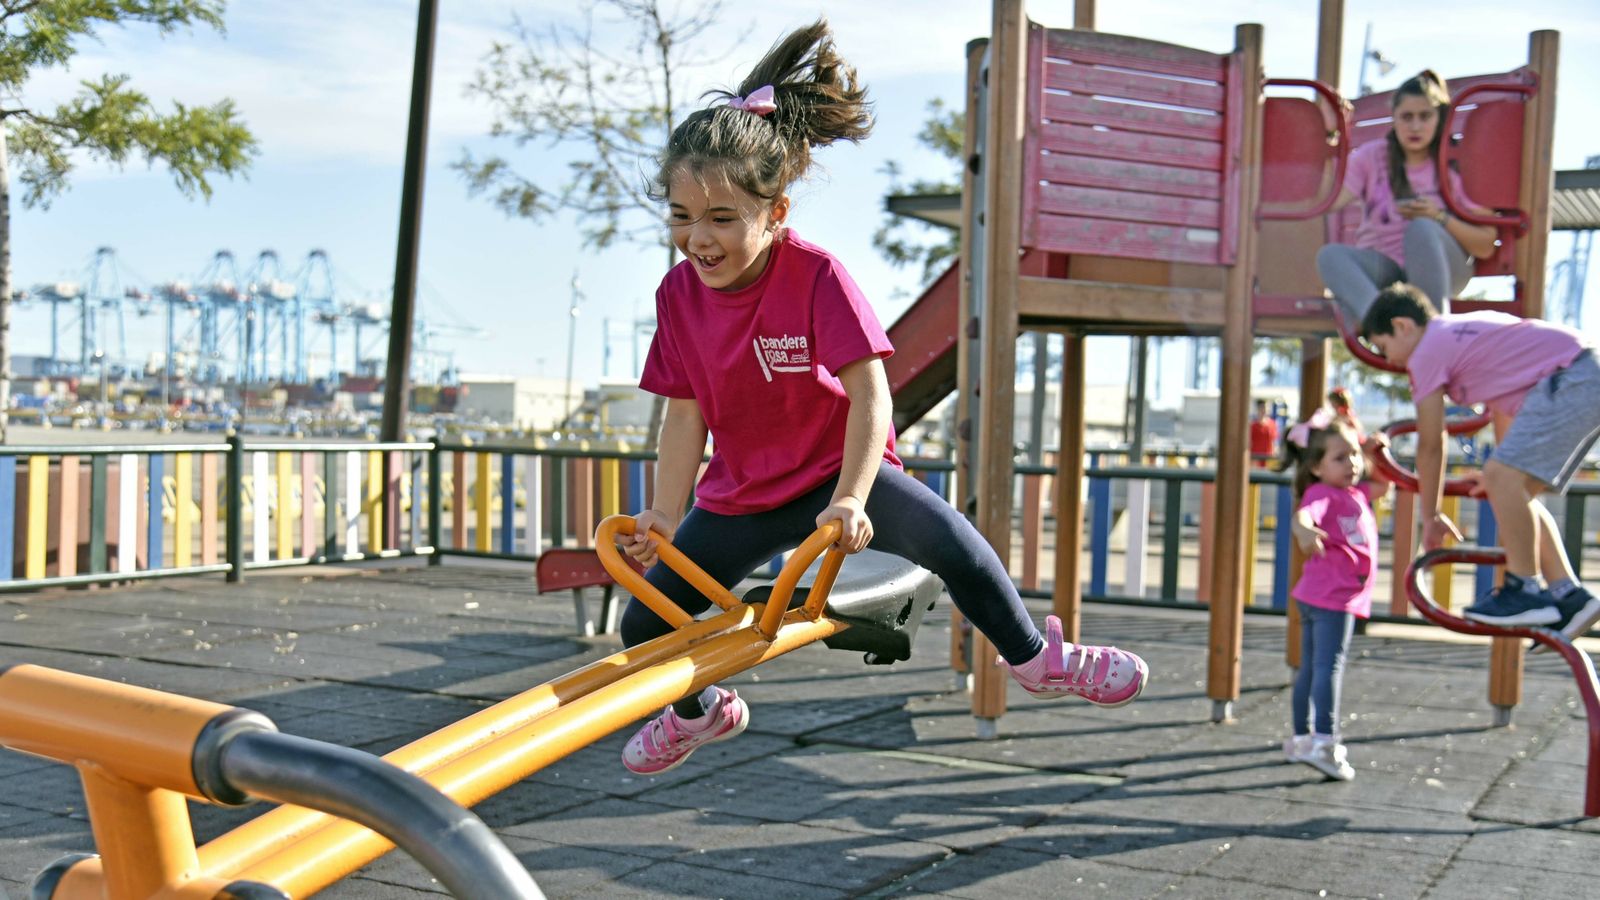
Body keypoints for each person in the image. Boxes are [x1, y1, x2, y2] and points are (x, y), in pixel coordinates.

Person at [612, 21, 1149, 776]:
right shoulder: (678, 295)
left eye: (723, 219)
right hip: (742, 496)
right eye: (681, 217)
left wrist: (855, 497)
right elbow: (684, 412)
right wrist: (666, 514)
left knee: (953, 544)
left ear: (776, 215)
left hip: (836, 478)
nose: (699, 238)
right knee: (642, 620)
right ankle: (701, 714)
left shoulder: (815, 277)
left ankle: (1035, 659)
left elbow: (872, 397)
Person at [1359, 283, 1600, 637]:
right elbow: (1508, 413)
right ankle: (1569, 595)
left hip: (1573, 378)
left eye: (1384, 347)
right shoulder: (1462, 335)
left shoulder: (1428, 350)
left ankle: (1524, 589)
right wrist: (1502, 475)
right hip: (1582, 374)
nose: (1389, 360)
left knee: (1503, 478)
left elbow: (1430, 443)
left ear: (1402, 326)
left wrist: (1431, 515)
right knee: (1513, 489)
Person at [1316, 70, 1498, 326]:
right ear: (1394, 119)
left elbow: (1485, 245)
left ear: (1439, 117)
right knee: (1330, 256)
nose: (1415, 126)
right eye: (1406, 117)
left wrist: (1437, 217)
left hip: (1444, 269)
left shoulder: (1454, 163)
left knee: (1421, 228)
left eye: (1424, 117)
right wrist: (1328, 140)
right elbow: (1326, 201)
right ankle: (1381, 324)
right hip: (1389, 269)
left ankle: (1433, 330)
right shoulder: (1373, 157)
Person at [1280, 410, 1377, 781]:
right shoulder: (1323, 493)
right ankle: (1325, 741)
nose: (1352, 462)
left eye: (1355, 454)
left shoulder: (1354, 493)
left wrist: (1374, 448)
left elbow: (1384, 482)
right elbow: (1305, 514)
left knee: (1311, 667)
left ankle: (1302, 739)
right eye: (1340, 457)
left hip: (1320, 594)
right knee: (1327, 667)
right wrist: (1304, 530)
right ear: (1317, 468)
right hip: (1332, 597)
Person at [1249, 399, 1279, 467]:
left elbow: (1274, 441)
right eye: (1262, 408)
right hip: (1256, 458)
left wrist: (1275, 454)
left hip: (1268, 458)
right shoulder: (1252, 426)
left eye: (1266, 408)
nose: (1264, 410)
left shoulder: (1272, 424)